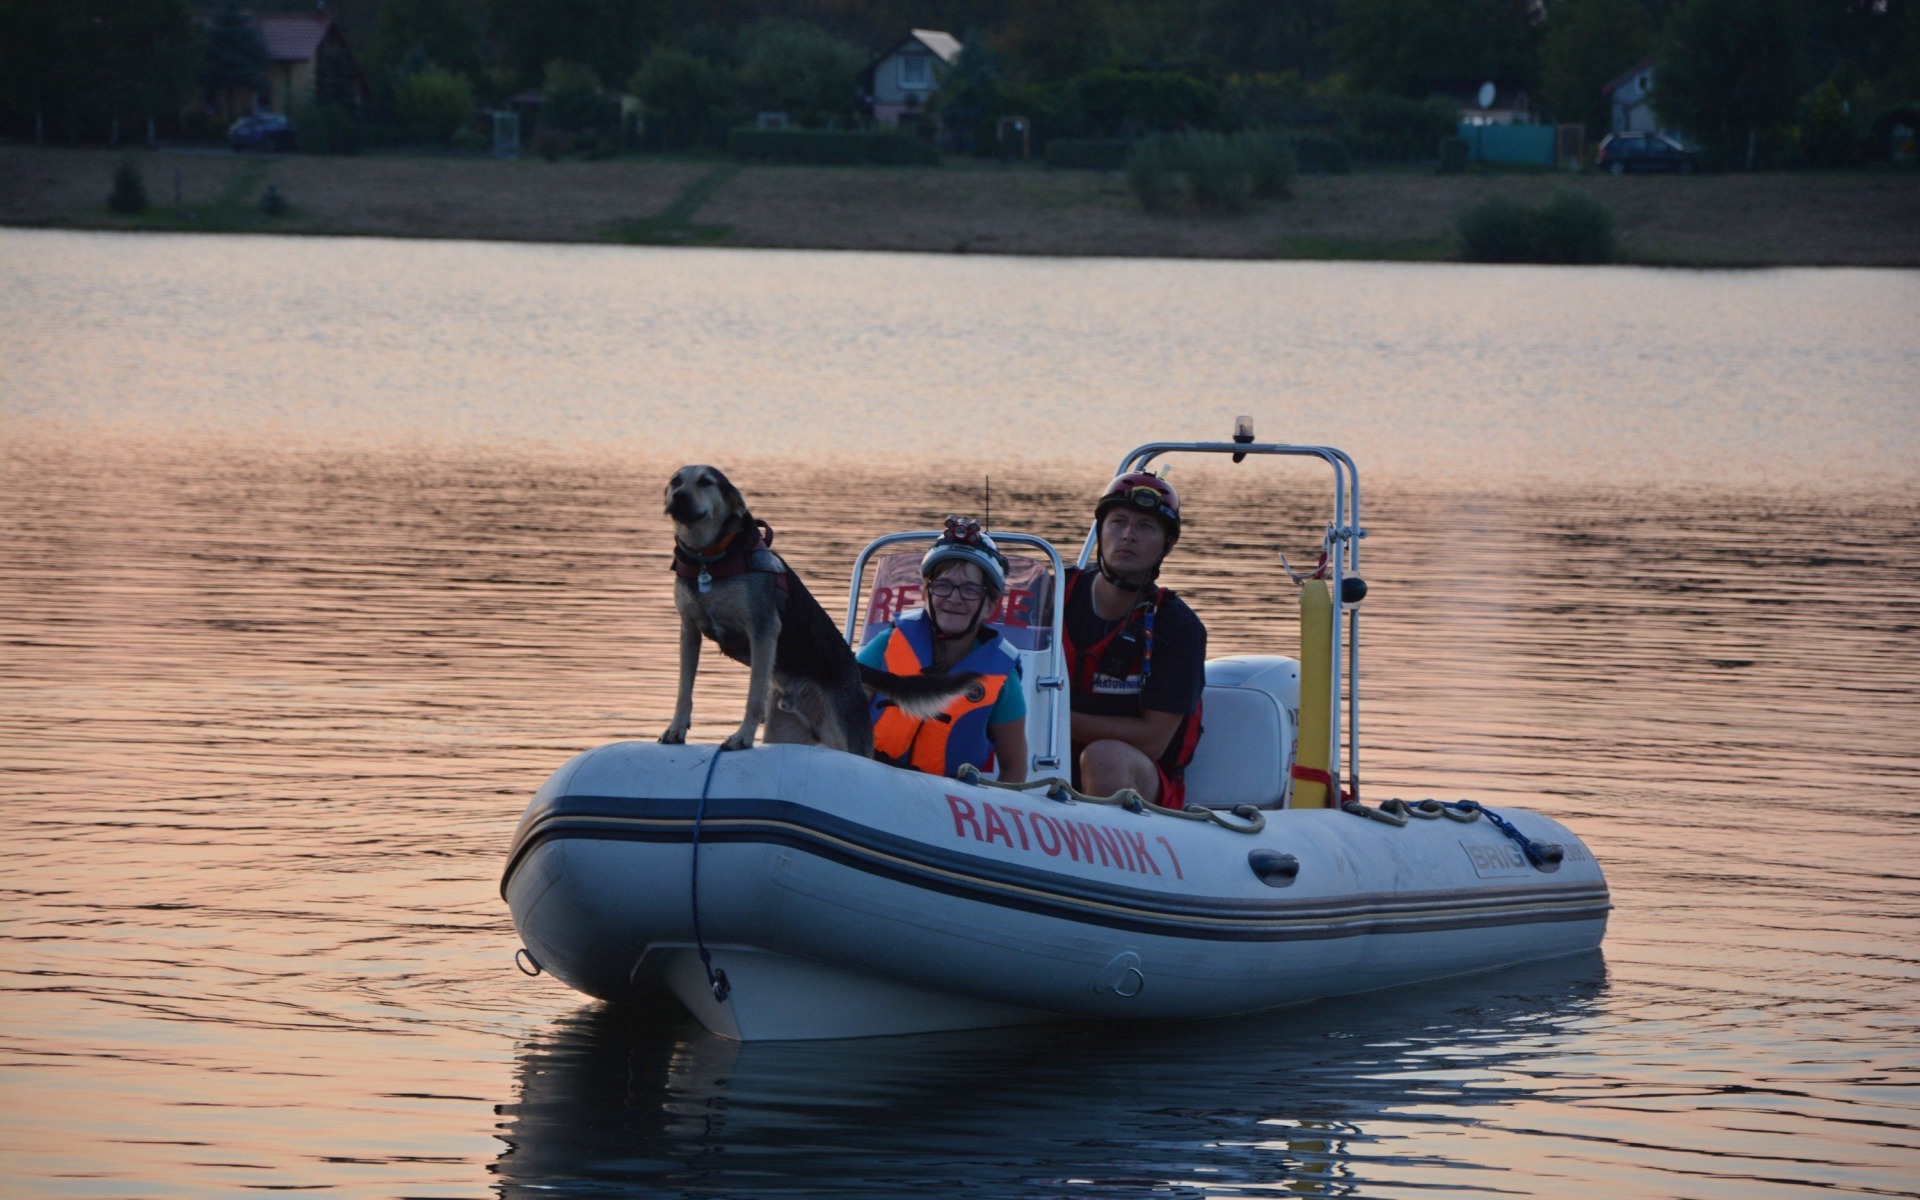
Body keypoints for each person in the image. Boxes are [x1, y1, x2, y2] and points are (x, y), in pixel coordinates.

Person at [1064, 472, 1205, 809]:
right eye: (1118, 522)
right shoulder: (1051, 595)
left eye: (1146, 526)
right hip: (1042, 755)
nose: (1128, 535)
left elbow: (1154, 740)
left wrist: (1053, 719)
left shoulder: (1180, 627)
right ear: (1100, 530)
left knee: (1104, 758)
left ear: (1167, 545)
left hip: (1138, 774)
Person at [859, 517, 1029, 782]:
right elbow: (843, 707)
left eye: (970, 590)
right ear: (925, 593)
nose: (954, 598)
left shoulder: (1003, 676)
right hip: (871, 778)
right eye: (942, 586)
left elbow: (1014, 767)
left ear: (990, 605)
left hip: (945, 797)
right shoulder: (886, 644)